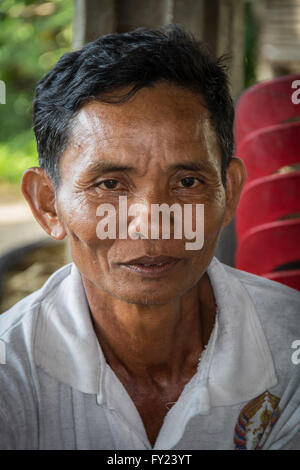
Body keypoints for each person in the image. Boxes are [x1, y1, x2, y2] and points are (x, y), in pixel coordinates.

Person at [0, 25, 299, 451]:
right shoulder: (10, 373)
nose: (153, 224)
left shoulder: (290, 345)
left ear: (229, 192)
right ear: (49, 204)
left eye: (188, 181)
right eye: (109, 185)